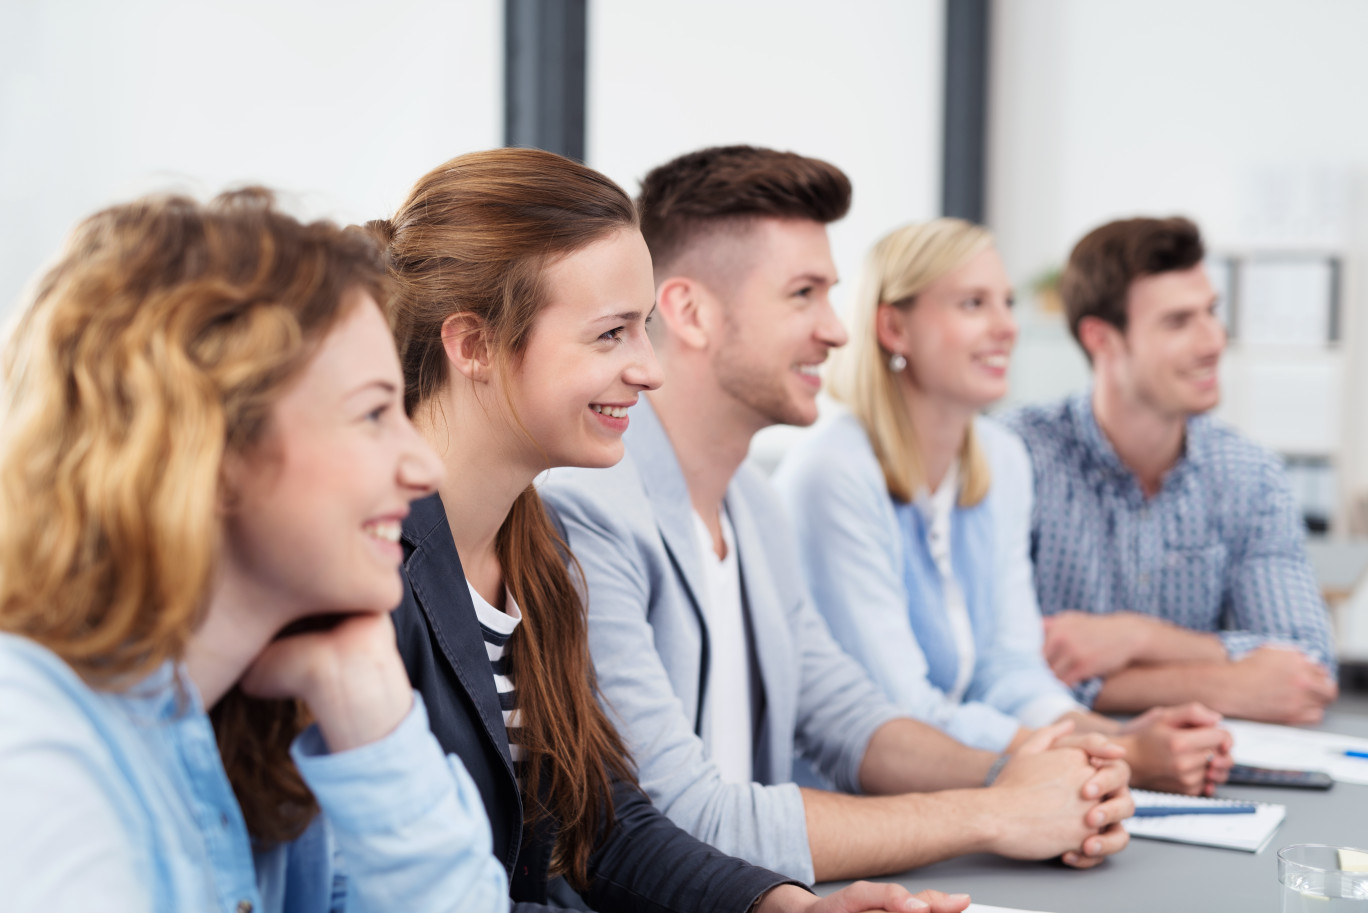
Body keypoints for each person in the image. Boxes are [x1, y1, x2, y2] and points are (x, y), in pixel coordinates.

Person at [375, 147, 967, 913]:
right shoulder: (372, 564)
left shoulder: (537, 555)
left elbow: (605, 824)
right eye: (611, 334)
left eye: (643, 327)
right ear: (474, 345)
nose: (649, 369)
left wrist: (786, 908)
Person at [540, 145, 1134, 886]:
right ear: (690, 312)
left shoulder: (754, 502)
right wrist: (993, 812)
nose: (836, 328)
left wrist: (1026, 771)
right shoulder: (586, 508)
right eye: (802, 295)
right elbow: (684, 815)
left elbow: (846, 715)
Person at [0, 189, 508, 911]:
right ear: (207, 446)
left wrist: (368, 704)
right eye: (372, 412)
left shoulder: (258, 727)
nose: (424, 467)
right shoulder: (33, 752)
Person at [773, 218, 1233, 797]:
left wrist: (1102, 734)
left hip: (972, 789)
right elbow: (900, 712)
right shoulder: (834, 472)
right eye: (973, 304)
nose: (1006, 328)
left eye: (1007, 303)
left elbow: (1009, 668)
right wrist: (1119, 754)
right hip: (856, 815)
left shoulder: (1000, 458)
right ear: (894, 327)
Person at [1001, 216, 1338, 723]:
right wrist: (1229, 682)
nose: (1213, 342)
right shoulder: (1015, 459)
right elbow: (994, 669)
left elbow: (1306, 670)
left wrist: (1135, 637)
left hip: (1212, 778)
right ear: (1102, 339)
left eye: (1211, 312)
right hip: (1053, 774)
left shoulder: (1249, 474)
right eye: (1178, 322)